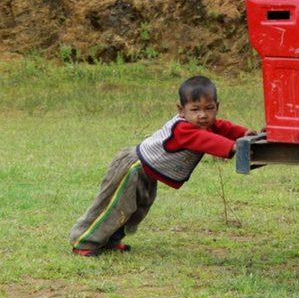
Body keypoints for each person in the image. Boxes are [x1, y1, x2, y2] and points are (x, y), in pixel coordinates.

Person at [70, 75, 258, 256]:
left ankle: (109, 241)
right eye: (195, 109)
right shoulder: (183, 128)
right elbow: (206, 140)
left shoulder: (207, 123)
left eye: (209, 108)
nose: (203, 115)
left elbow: (224, 127)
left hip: (148, 173)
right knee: (114, 205)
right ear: (181, 110)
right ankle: (84, 242)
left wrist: (244, 133)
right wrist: (234, 147)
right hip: (132, 168)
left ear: (217, 107)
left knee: (136, 209)